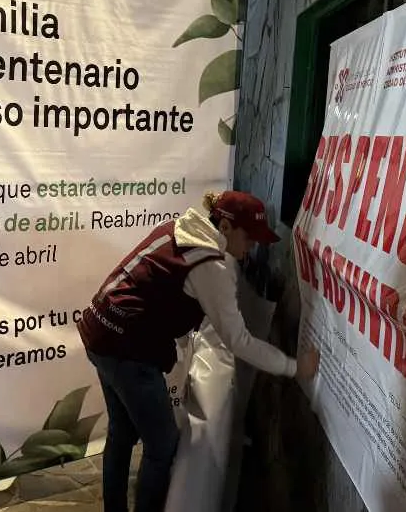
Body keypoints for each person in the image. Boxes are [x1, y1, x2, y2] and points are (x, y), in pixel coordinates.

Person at [78, 190, 320, 512]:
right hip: (125, 347)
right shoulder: (212, 264)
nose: (252, 247)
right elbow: (239, 341)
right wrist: (294, 367)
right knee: (162, 445)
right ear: (225, 228)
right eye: (249, 238)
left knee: (122, 433)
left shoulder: (180, 228)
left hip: (100, 328)